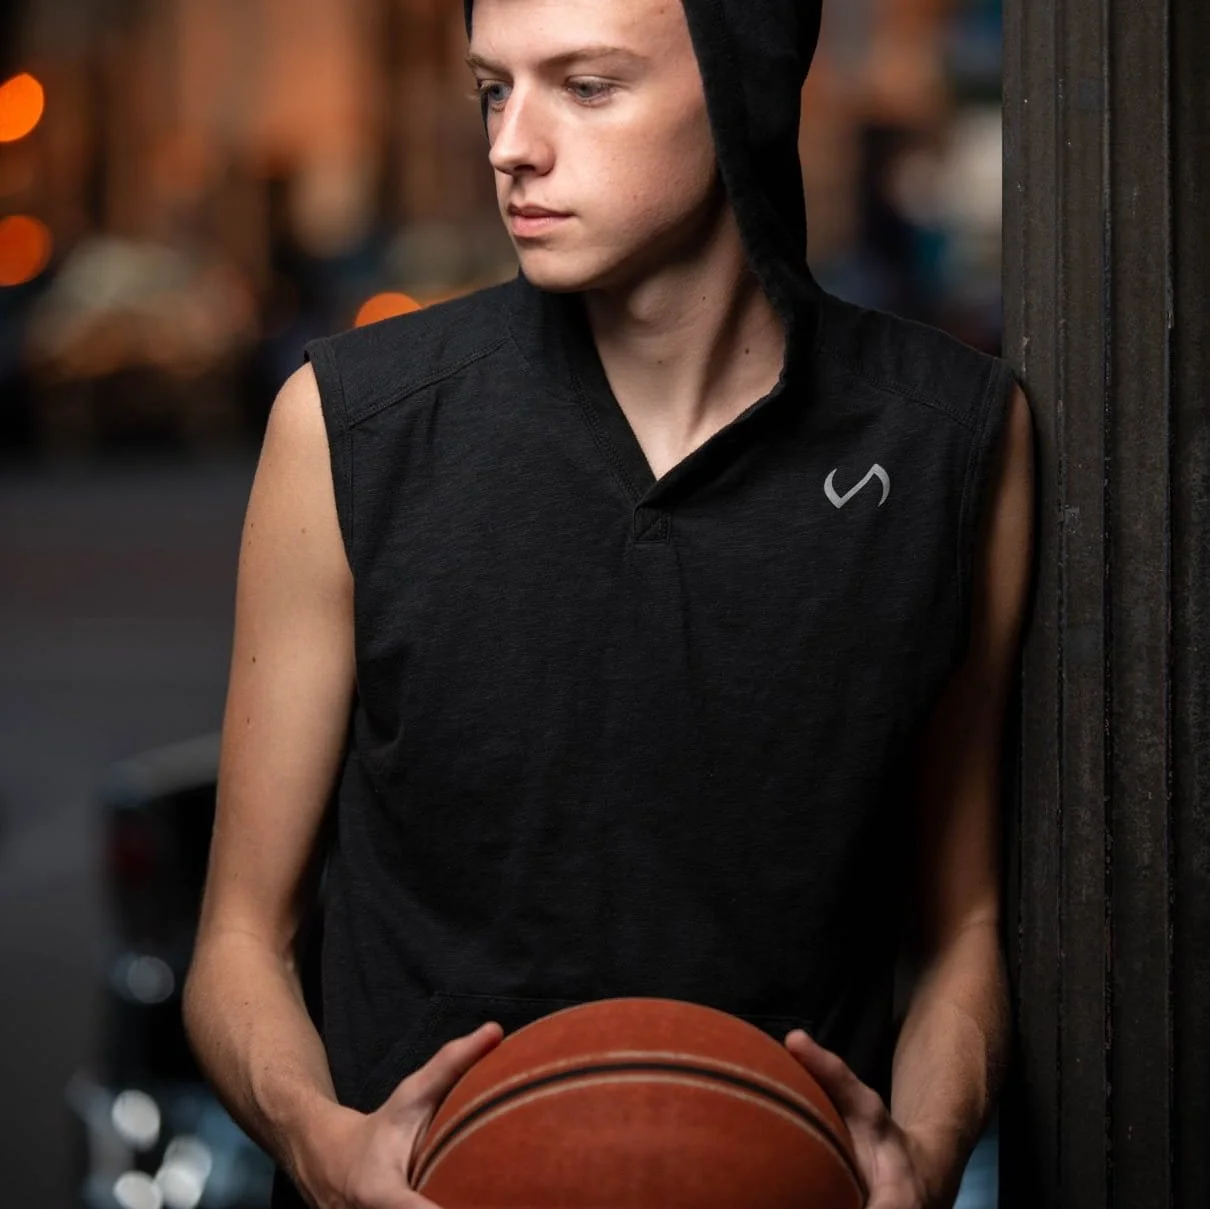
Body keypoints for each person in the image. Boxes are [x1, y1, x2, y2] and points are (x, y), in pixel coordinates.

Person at [182, 1, 1034, 1207]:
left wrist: (927, 1156)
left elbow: (962, 932)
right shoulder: (349, 426)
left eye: (585, 87)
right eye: (493, 87)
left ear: (742, 93)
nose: (509, 145)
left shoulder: (951, 437)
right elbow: (237, 946)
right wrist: (322, 1145)